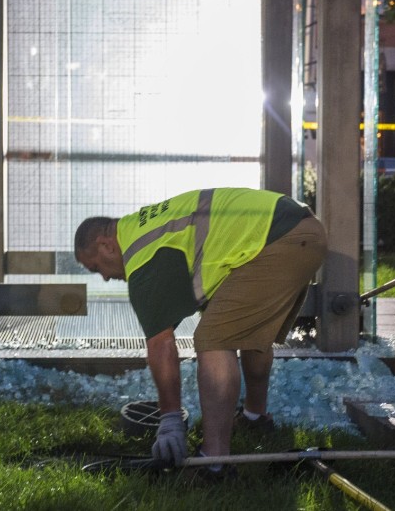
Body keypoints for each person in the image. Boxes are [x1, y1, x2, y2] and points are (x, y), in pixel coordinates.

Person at [74, 187, 327, 474]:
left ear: (106, 245)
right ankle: (255, 418)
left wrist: (170, 420)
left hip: (280, 239)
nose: (105, 278)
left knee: (212, 339)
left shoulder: (142, 256)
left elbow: (162, 345)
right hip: (303, 230)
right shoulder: (147, 229)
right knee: (250, 334)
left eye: (96, 268)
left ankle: (214, 463)